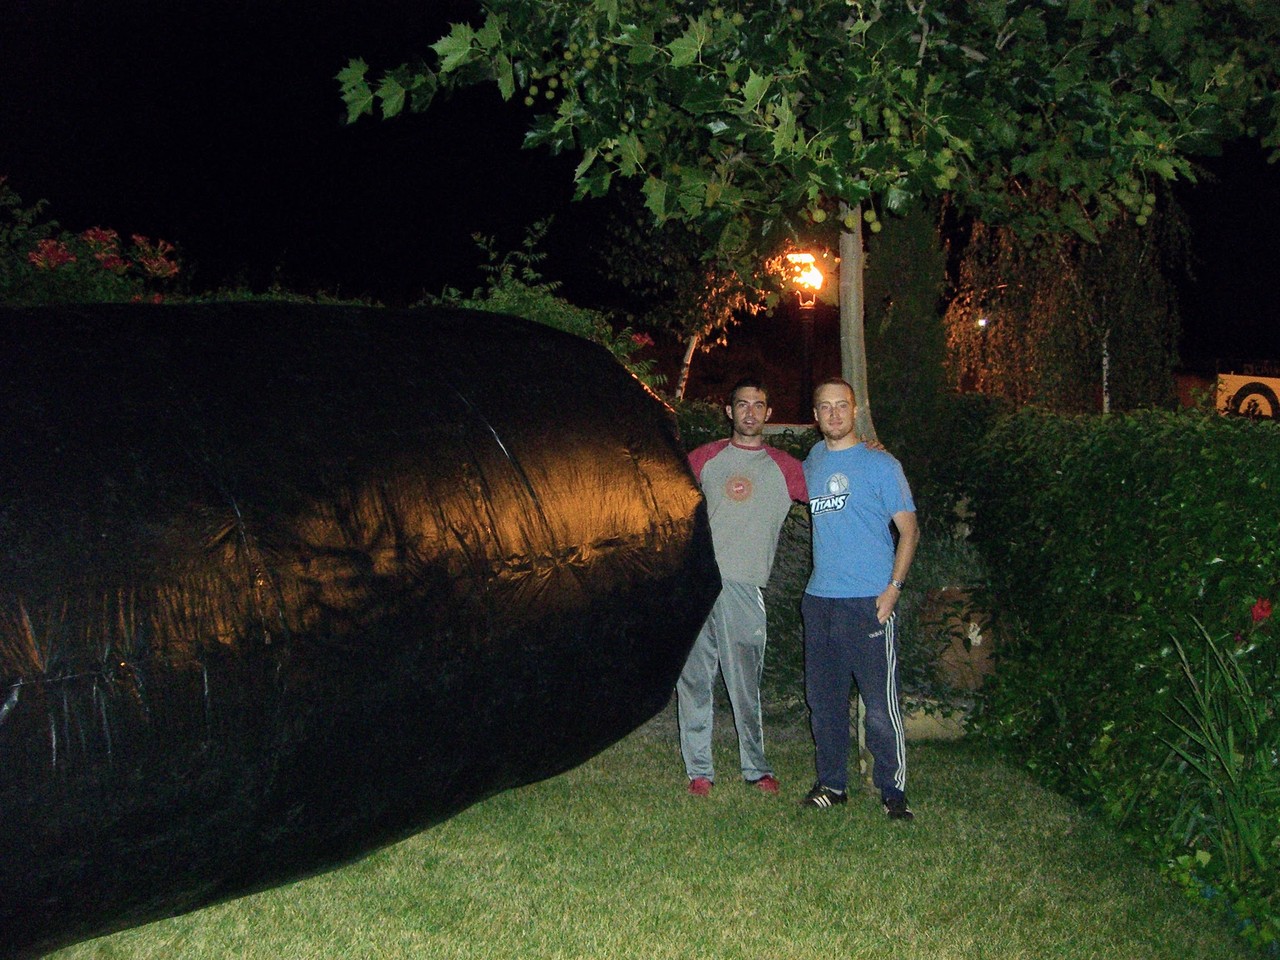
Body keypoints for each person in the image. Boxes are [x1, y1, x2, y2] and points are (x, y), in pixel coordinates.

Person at [678, 378, 807, 796]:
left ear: (768, 414)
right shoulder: (705, 458)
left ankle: (756, 768)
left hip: (745, 588)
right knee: (694, 682)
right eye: (742, 405)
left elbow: (832, 496)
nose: (750, 412)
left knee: (745, 687)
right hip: (699, 586)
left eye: (758, 405)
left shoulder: (787, 468)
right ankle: (700, 771)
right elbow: (664, 495)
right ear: (728, 411)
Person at [801, 378, 920, 820]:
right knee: (825, 702)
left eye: (842, 406)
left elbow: (909, 531)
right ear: (815, 416)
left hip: (869, 602)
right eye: (825, 407)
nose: (834, 414)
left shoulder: (882, 465)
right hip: (819, 603)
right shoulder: (811, 461)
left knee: (879, 706)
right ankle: (832, 784)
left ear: (855, 410)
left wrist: (894, 589)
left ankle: (893, 791)